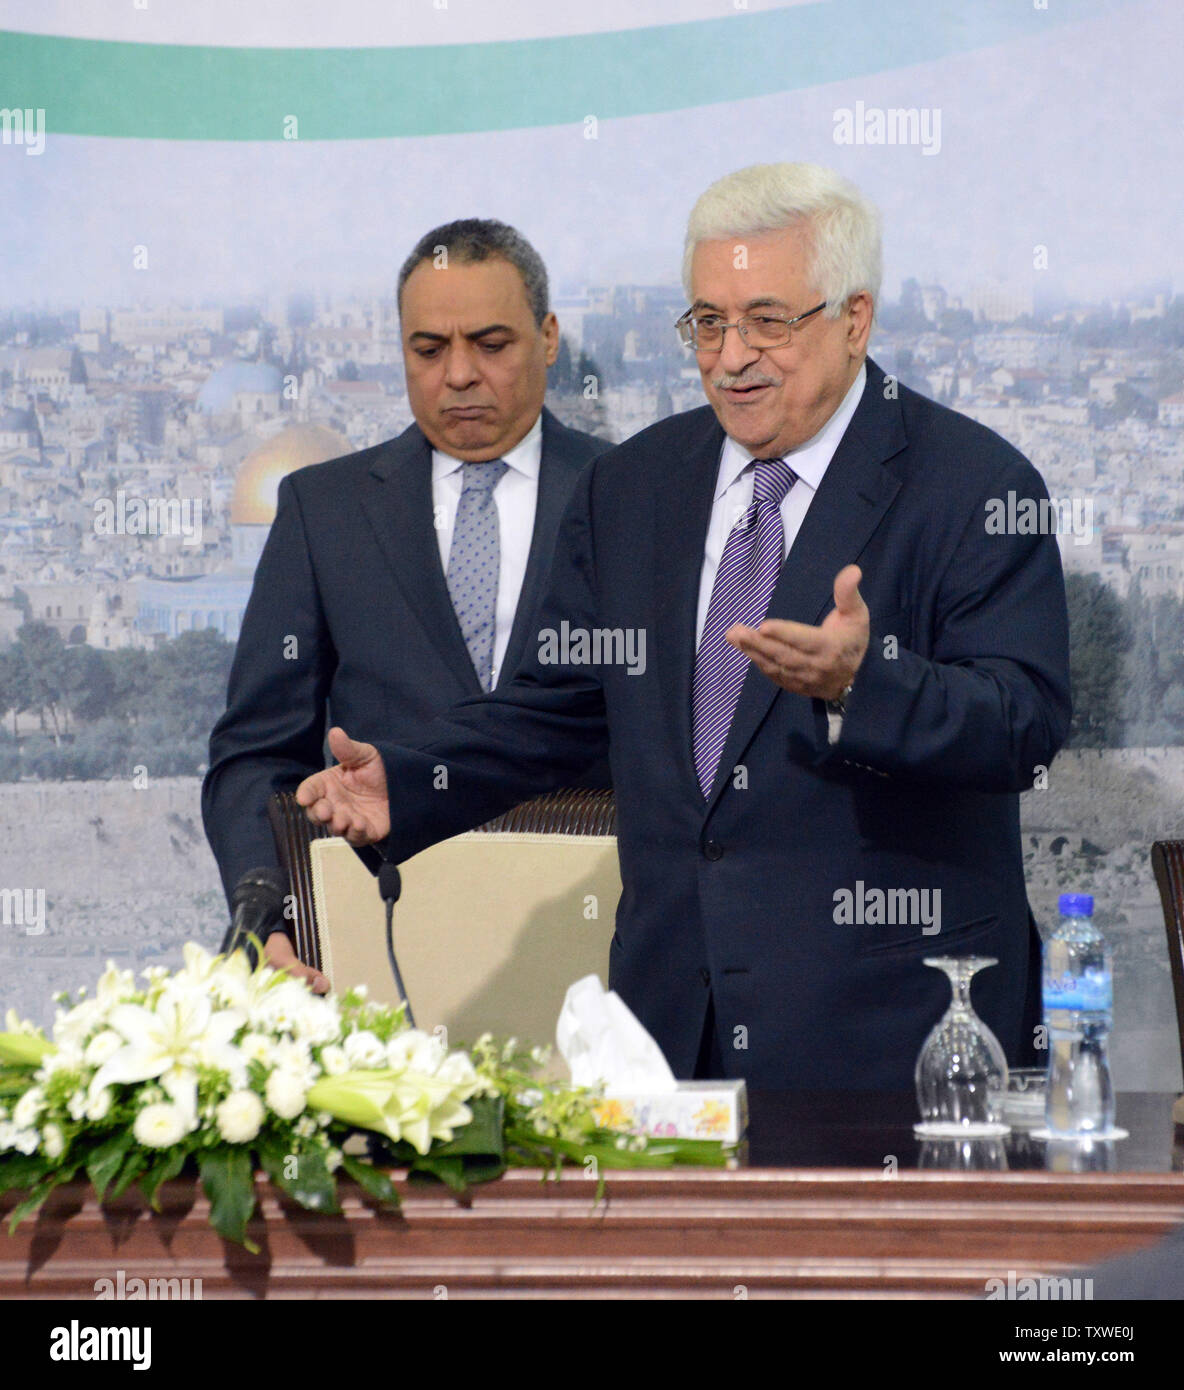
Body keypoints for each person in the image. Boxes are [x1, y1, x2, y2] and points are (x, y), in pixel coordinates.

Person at [295, 163, 1072, 1090]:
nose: (731, 355)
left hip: (888, 1040)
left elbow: (1023, 723)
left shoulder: (976, 487)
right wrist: (415, 782)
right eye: (708, 322)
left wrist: (868, 684)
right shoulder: (634, 490)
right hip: (670, 1034)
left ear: (854, 320)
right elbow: (562, 708)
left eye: (767, 321)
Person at [202, 219, 608, 991]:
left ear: (548, 338)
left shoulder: (637, 497)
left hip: (602, 953)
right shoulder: (324, 512)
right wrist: (273, 922)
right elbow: (256, 756)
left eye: (491, 344)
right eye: (429, 349)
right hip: (378, 952)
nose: (459, 375)